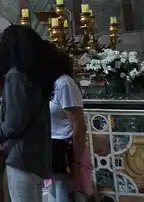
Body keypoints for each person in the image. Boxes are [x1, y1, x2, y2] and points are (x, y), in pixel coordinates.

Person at [0, 25, 61, 202]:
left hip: (21, 157)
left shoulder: (16, 76)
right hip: (36, 155)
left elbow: (15, 123)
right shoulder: (36, 77)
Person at [49, 47, 90, 202]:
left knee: (65, 195)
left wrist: (76, 164)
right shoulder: (49, 85)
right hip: (52, 151)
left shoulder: (64, 83)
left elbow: (78, 126)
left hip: (66, 152)